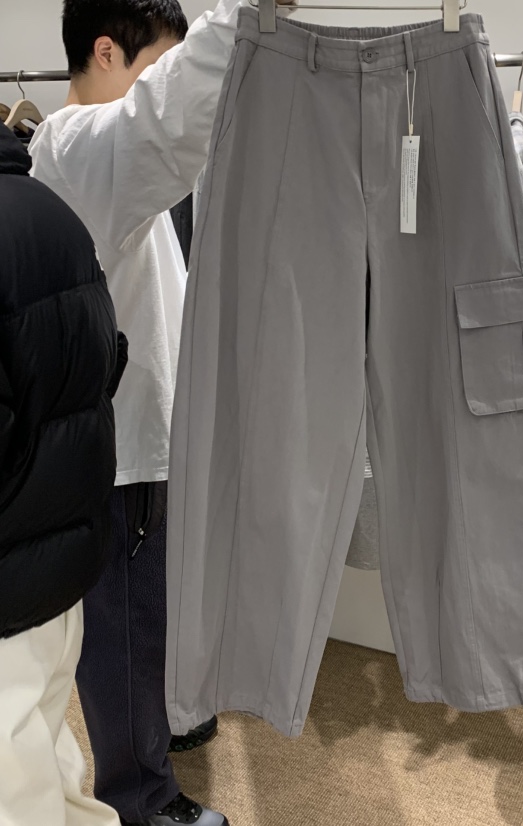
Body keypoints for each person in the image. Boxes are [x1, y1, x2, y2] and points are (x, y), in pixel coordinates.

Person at [29, 0, 296, 823]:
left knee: (143, 621)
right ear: (106, 51)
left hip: (132, 439)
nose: (161, 84)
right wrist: (249, 13)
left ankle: (157, 747)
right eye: (154, 65)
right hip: (122, 452)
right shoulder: (76, 148)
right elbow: (166, 119)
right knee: (127, 627)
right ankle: (143, 802)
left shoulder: (88, 160)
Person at [0, 120, 127, 826]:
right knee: (48, 760)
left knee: (15, 796)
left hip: (10, 578)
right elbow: (106, 364)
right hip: (59, 567)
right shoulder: (55, 213)